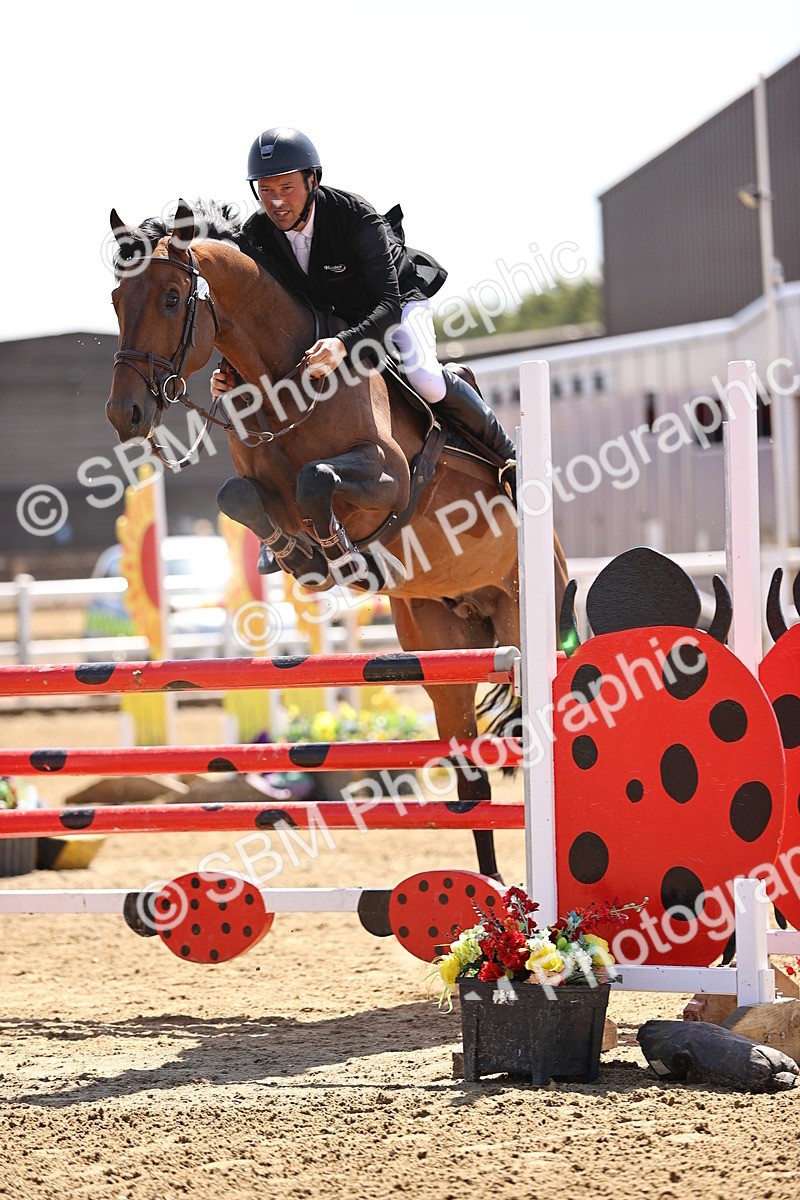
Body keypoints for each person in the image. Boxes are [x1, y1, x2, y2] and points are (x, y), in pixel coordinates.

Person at [211, 127, 517, 500]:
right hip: (328, 318)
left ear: (312, 180)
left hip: (394, 304)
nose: (276, 202)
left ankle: (508, 458)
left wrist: (342, 345)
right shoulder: (256, 235)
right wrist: (229, 374)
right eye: (266, 191)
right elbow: (248, 316)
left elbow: (386, 304)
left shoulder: (354, 216)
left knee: (425, 378)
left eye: (286, 188)